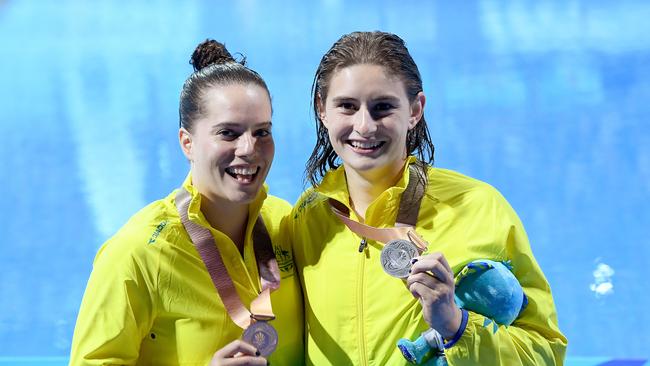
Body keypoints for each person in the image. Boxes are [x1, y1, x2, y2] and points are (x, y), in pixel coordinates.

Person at [288, 31, 567, 365]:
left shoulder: (478, 207)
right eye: (347, 106)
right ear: (323, 110)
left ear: (415, 110)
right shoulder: (308, 215)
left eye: (383, 108)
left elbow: (546, 353)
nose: (364, 126)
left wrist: (455, 325)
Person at [70, 39, 303, 365]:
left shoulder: (287, 223)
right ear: (187, 143)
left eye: (262, 131)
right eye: (229, 133)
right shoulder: (139, 252)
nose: (249, 148)